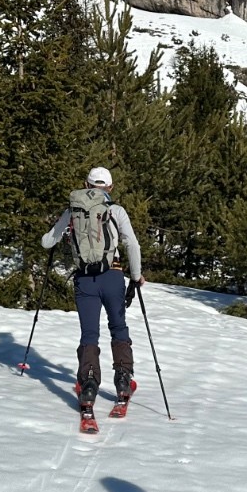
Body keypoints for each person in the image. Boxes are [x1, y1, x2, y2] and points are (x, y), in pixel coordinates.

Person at [41, 166, 144, 416]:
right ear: (110, 187)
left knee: (89, 334)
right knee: (118, 327)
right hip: (113, 276)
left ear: (86, 185)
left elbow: (47, 241)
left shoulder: (73, 210)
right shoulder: (116, 210)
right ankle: (123, 381)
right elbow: (132, 243)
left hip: (85, 280)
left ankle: (88, 385)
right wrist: (136, 276)